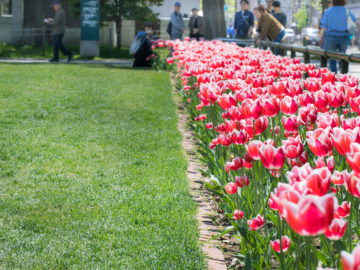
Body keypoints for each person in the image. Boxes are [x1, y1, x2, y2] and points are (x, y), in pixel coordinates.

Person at [319, 0, 356, 73]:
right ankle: (343, 73)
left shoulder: (328, 11)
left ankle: (333, 74)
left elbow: (323, 26)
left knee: (332, 57)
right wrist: (352, 37)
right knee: (343, 57)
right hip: (344, 37)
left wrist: (320, 38)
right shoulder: (347, 11)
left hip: (330, 37)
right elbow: (352, 24)